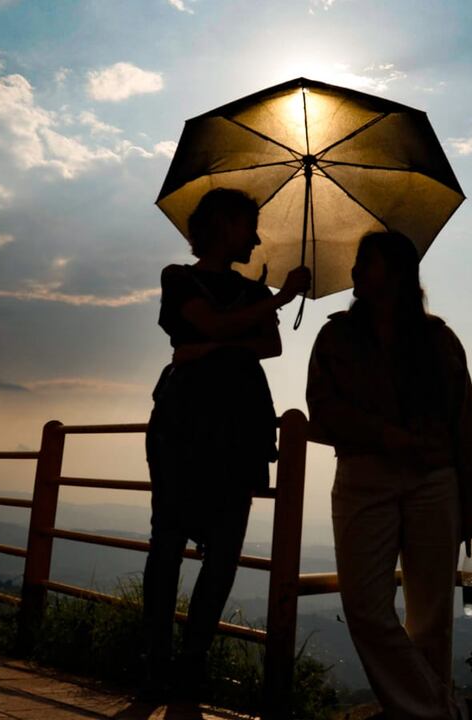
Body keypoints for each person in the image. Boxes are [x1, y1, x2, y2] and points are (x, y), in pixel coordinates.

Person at [306, 231, 472, 720]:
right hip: (365, 474)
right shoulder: (336, 336)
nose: (355, 271)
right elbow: (321, 409)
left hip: (436, 480)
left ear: (399, 272)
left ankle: (422, 714)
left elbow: (464, 423)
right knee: (365, 606)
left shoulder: (439, 340)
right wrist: (385, 436)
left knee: (431, 617)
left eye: (367, 261)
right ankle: (440, 711)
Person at [143, 188, 311, 702]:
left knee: (221, 552)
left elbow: (271, 345)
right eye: (249, 225)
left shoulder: (248, 291)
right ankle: (159, 662)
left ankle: (186, 664)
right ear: (222, 224)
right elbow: (228, 328)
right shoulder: (180, 277)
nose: (256, 237)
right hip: (189, 424)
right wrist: (274, 302)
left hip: (234, 425)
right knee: (170, 542)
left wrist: (206, 346)